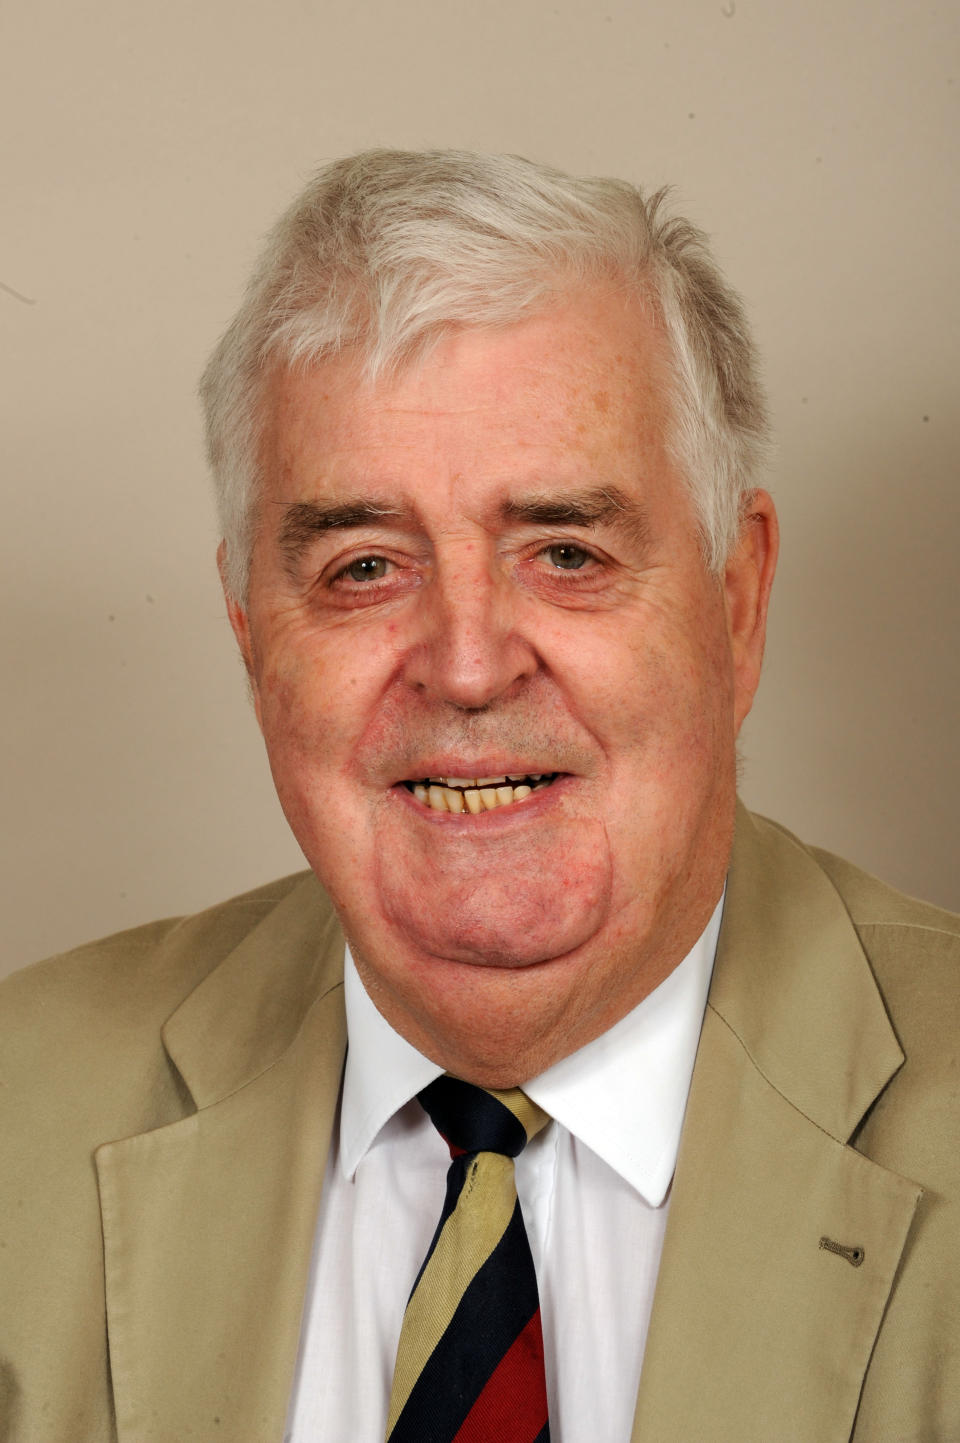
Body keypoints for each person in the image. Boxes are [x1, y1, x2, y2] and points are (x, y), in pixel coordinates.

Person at [1, 149, 957, 1443]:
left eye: (566, 552)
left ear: (737, 603)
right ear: (248, 629)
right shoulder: (23, 1115)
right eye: (363, 567)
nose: (464, 663)